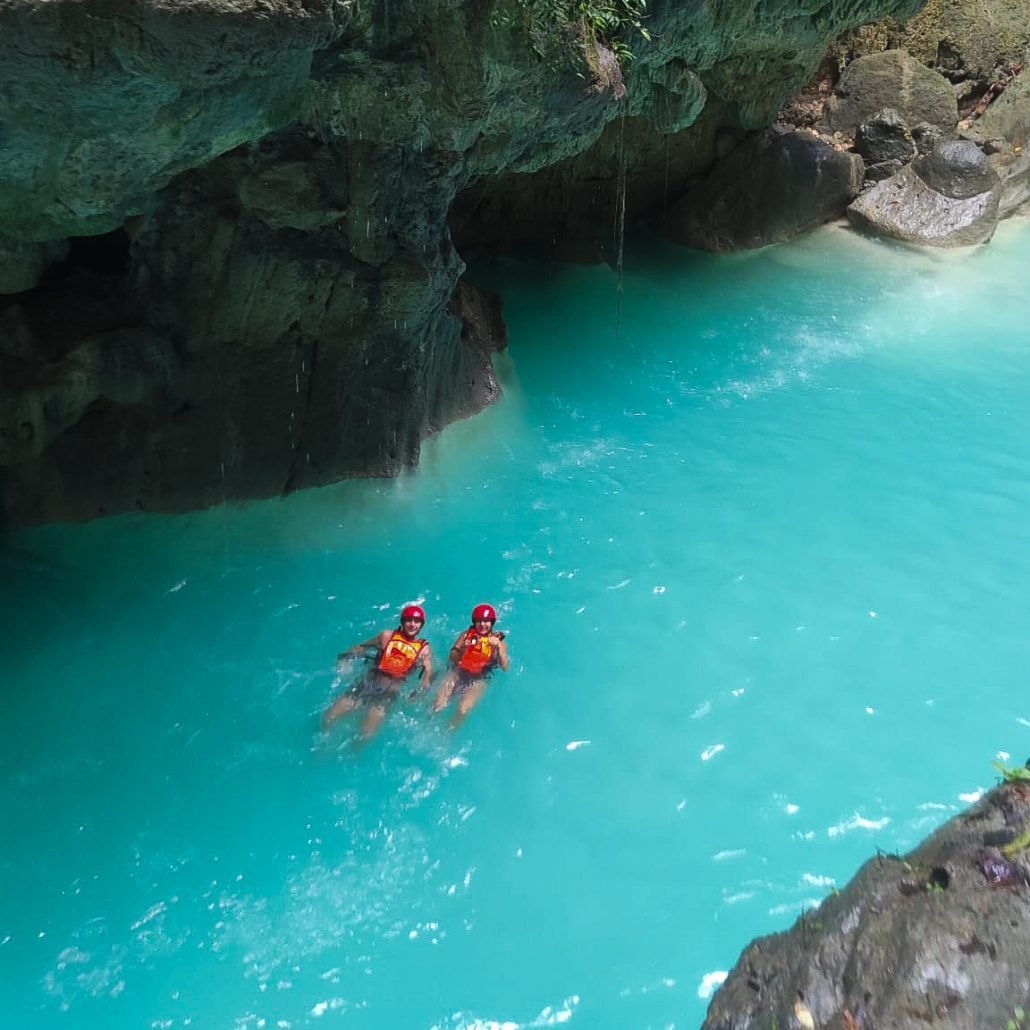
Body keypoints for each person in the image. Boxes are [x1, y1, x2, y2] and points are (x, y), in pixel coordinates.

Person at [323, 604, 433, 741]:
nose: (412, 624)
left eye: (417, 621)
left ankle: (353, 755)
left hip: (389, 694)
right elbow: (361, 647)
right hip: (368, 683)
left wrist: (424, 680)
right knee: (328, 717)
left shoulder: (423, 649)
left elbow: (426, 678)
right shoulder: (386, 636)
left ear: (421, 625)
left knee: (365, 735)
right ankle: (321, 748)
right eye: (409, 620)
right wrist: (345, 659)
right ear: (402, 622)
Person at [431, 603, 509, 728]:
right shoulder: (466, 635)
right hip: (459, 671)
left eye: (486, 621)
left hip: (480, 678)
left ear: (492, 623)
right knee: (439, 702)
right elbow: (451, 657)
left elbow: (505, 667)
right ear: (474, 622)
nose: (483, 624)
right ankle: (428, 724)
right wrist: (463, 650)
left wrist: (498, 648)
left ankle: (448, 734)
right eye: (479, 621)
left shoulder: (499, 641)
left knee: (463, 708)